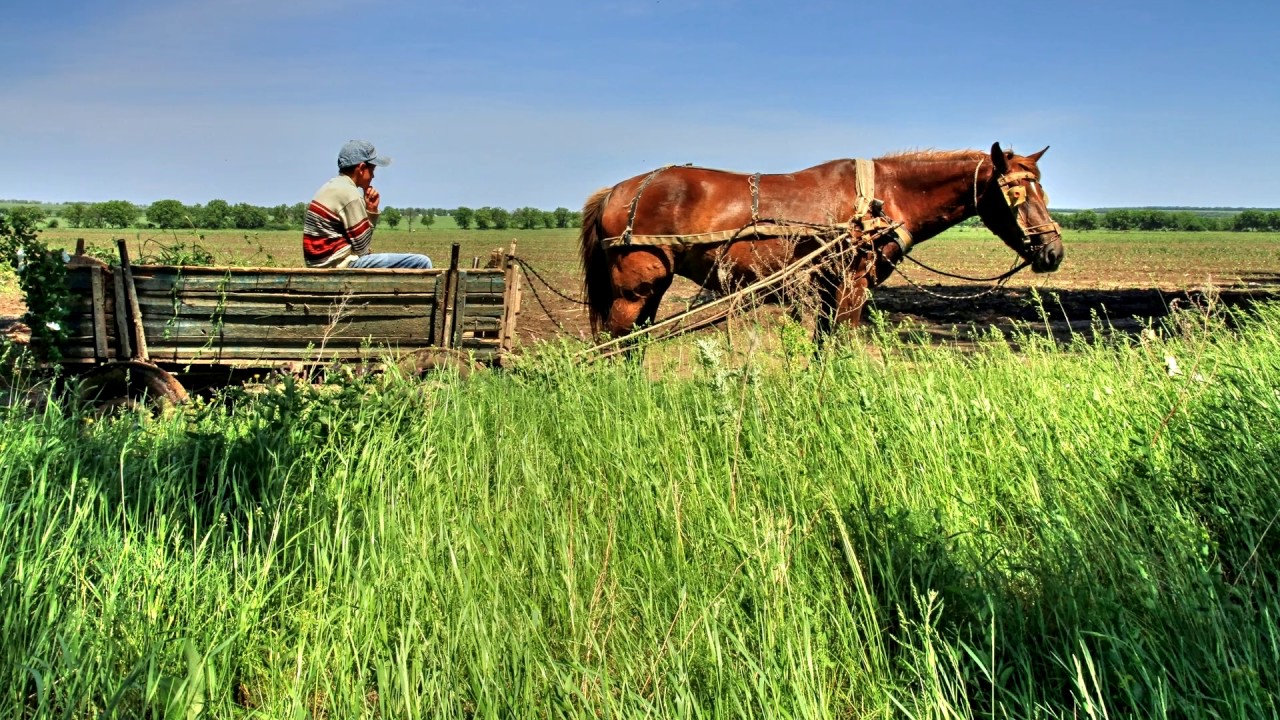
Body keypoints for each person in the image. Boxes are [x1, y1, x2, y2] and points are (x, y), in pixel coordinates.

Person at [302, 140, 433, 269]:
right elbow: (362, 250)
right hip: (340, 265)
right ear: (361, 168)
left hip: (322, 265)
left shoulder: (331, 186)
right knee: (422, 262)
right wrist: (372, 212)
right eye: (372, 170)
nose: (373, 176)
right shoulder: (350, 194)